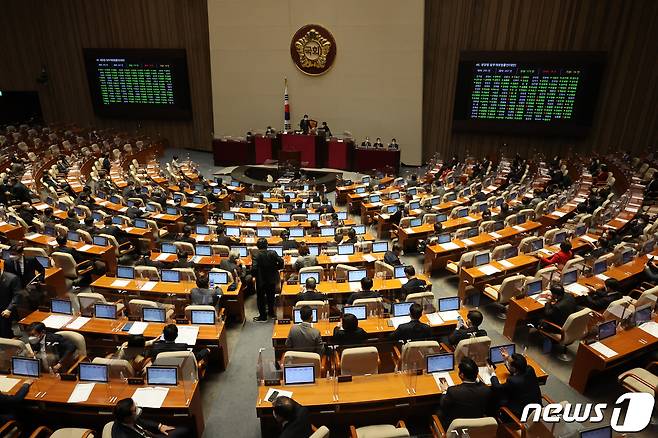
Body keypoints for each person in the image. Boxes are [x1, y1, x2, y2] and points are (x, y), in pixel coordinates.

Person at [437, 357, 493, 428]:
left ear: (462, 375)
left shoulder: (453, 391)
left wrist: (444, 391)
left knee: (438, 412)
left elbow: (443, 405)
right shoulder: (486, 390)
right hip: (477, 425)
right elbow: (482, 385)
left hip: (455, 426)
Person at [489, 352, 542, 418]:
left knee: (494, 396)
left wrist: (493, 374)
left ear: (514, 368)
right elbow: (516, 371)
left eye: (509, 364)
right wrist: (507, 359)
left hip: (520, 412)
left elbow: (497, 387)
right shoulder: (530, 369)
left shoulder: (512, 380)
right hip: (536, 407)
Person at [111, 397, 188, 438]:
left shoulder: (127, 418)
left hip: (151, 435)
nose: (138, 410)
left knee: (185, 430)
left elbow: (142, 421)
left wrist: (159, 426)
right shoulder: (122, 435)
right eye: (135, 409)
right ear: (127, 417)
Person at [252, 238, 284, 321]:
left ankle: (263, 316)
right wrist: (277, 268)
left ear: (257, 246)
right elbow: (281, 261)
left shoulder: (256, 255)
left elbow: (254, 268)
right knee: (271, 297)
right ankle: (271, 313)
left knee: (261, 298)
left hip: (261, 280)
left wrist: (255, 276)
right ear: (267, 245)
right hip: (272, 278)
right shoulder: (273, 253)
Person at [0, 261, 21, 338]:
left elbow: (17, 295)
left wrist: (9, 309)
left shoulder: (12, 278)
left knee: (4, 331)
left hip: (6, 309)